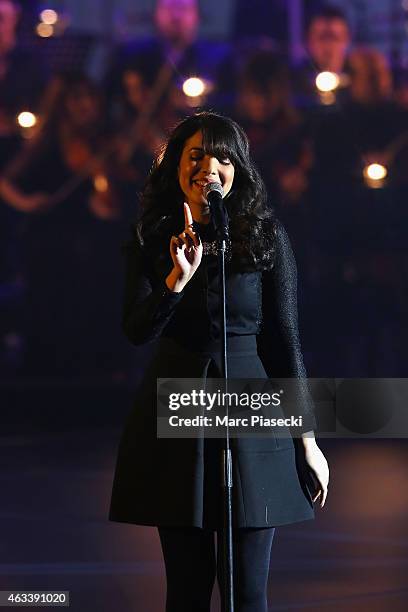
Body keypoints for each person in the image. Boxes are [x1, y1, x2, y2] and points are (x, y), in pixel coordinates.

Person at [109, 111, 329, 611]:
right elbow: (136, 330)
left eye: (223, 157)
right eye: (196, 155)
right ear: (177, 168)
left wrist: (308, 439)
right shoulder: (151, 237)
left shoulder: (266, 237)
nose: (209, 166)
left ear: (238, 170)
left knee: (248, 590)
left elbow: (284, 340)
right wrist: (175, 282)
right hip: (179, 409)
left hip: (252, 413)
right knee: (187, 588)